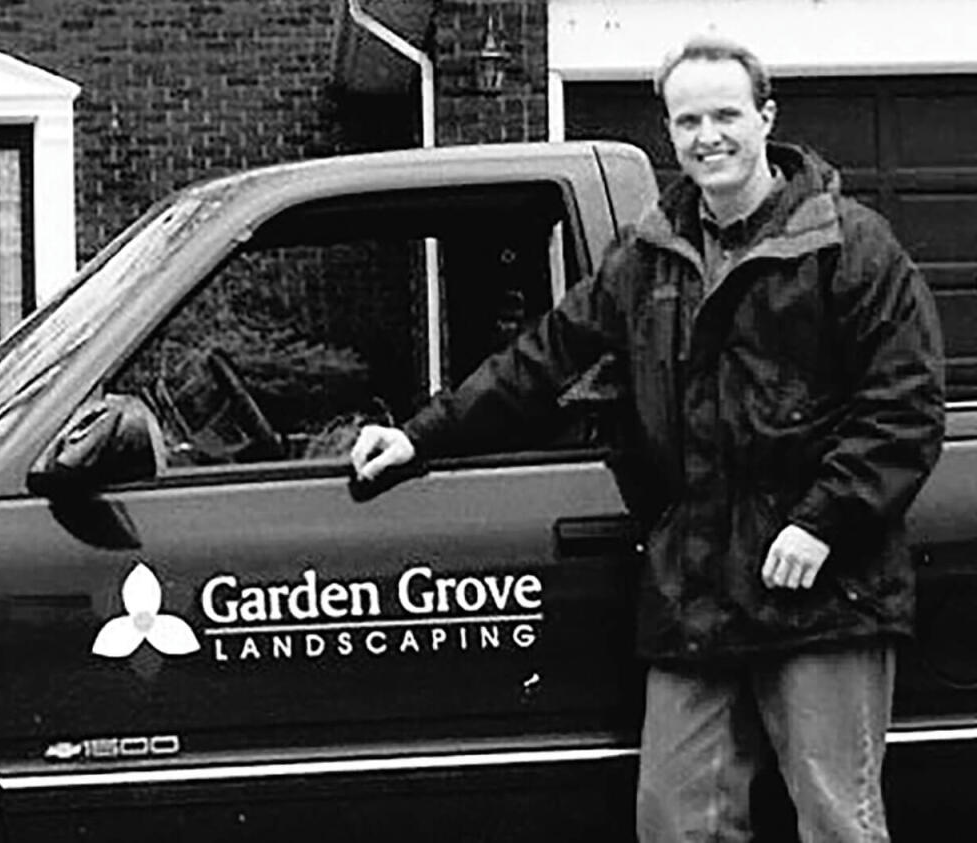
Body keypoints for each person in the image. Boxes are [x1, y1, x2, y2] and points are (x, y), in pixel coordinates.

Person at [351, 35, 943, 843]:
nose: (709, 136)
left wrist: (822, 521)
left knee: (838, 820)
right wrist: (422, 436)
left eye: (726, 115)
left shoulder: (850, 247)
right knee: (675, 819)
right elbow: (542, 359)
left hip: (825, 591)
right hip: (695, 588)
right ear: (669, 130)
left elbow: (904, 406)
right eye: (689, 120)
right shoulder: (647, 256)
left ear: (766, 117)